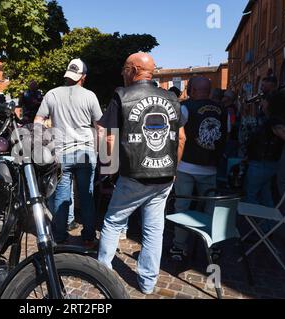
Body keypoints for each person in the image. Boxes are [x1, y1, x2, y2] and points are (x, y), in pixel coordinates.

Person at [97, 53, 186, 294]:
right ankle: (148, 283)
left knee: (113, 222)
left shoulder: (122, 95)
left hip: (133, 175)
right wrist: (173, 170)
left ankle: (101, 275)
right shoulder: (171, 98)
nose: (122, 73)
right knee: (154, 229)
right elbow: (180, 138)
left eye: (125, 68)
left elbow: (109, 137)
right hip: (165, 175)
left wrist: (109, 171)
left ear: (135, 69)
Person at [35, 58, 103, 249]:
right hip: (86, 153)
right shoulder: (90, 96)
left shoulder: (52, 94)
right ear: (83, 77)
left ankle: (60, 237)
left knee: (62, 196)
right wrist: (101, 153)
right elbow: (100, 127)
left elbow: (38, 120)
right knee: (86, 196)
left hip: (61, 154)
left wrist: (43, 145)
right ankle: (89, 237)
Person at [170, 77, 227, 261]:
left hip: (186, 166)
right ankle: (212, 246)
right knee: (211, 209)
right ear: (209, 91)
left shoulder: (186, 108)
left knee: (182, 207)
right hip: (210, 167)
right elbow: (226, 134)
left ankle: (179, 247)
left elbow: (178, 136)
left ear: (192, 90)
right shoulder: (222, 109)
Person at [243, 92, 285, 207]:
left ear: (270, 104)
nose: (261, 103)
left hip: (262, 164)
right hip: (266, 163)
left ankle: (254, 223)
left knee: (251, 197)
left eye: (263, 100)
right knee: (266, 197)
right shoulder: (274, 119)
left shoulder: (274, 121)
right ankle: (266, 225)